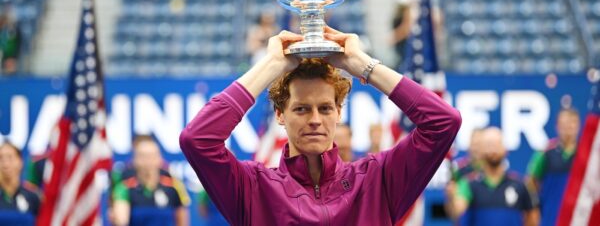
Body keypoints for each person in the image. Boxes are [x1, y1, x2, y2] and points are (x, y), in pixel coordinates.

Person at [180, 27, 461, 225]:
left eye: (325, 108)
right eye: (301, 108)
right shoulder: (253, 189)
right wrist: (271, 66)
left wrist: (361, 64)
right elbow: (198, 139)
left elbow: (444, 122)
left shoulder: (378, 180)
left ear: (338, 112)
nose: (315, 119)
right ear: (280, 114)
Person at [446, 127, 537, 226]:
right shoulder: (468, 183)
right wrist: (451, 197)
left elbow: (532, 217)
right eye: (489, 145)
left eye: (497, 144)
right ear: (481, 151)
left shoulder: (519, 185)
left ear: (505, 149)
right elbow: (457, 211)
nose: (493, 150)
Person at [112, 135, 189, 226]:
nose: (148, 161)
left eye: (152, 156)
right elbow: (121, 220)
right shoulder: (124, 187)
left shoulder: (174, 186)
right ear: (134, 160)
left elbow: (182, 220)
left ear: (160, 159)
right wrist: (116, 218)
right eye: (143, 156)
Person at [527, 108, 580, 226]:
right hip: (550, 217)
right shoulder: (545, 153)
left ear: (578, 125)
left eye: (572, 123)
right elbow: (531, 182)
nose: (569, 127)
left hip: (579, 217)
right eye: (565, 123)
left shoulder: (585, 154)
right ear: (557, 126)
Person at [0, 141, 41, 225]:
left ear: (20, 162)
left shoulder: (33, 196)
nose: (5, 163)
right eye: (1, 158)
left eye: (10, 157)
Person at [0, 9, 21, 75]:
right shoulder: (3, 31)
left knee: (9, 71)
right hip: (4, 52)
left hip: (9, 53)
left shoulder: (11, 30)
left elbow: (13, 42)